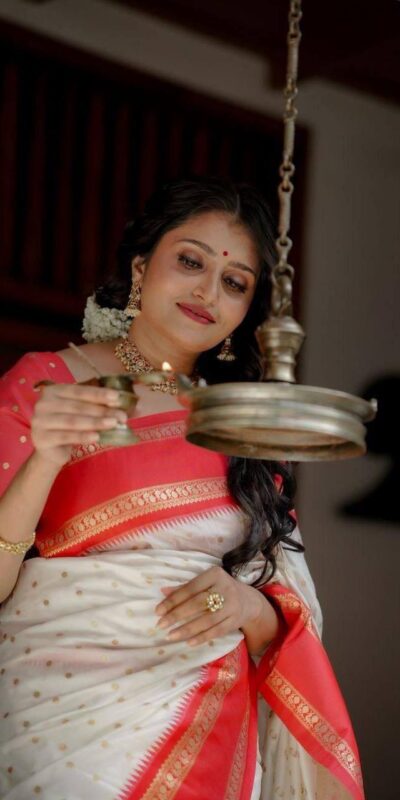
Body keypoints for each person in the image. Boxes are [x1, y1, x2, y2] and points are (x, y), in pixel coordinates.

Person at [0, 177, 363, 800]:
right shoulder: (46, 382)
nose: (207, 292)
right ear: (141, 268)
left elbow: (285, 611)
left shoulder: (246, 428)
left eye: (235, 282)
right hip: (57, 715)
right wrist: (47, 460)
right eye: (191, 262)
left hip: (207, 717)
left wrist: (245, 606)